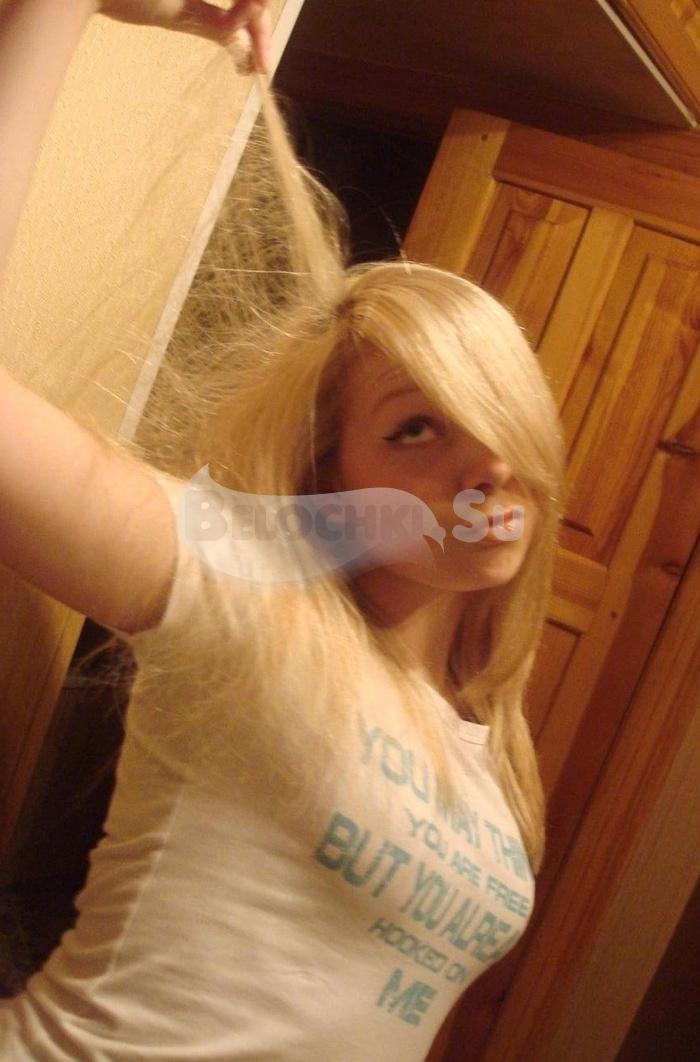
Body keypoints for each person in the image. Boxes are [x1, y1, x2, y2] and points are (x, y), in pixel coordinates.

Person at [0, 1, 568, 1058]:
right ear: (327, 476)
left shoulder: (491, 745)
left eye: (498, 414)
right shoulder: (250, 585)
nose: (487, 463)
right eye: (415, 429)